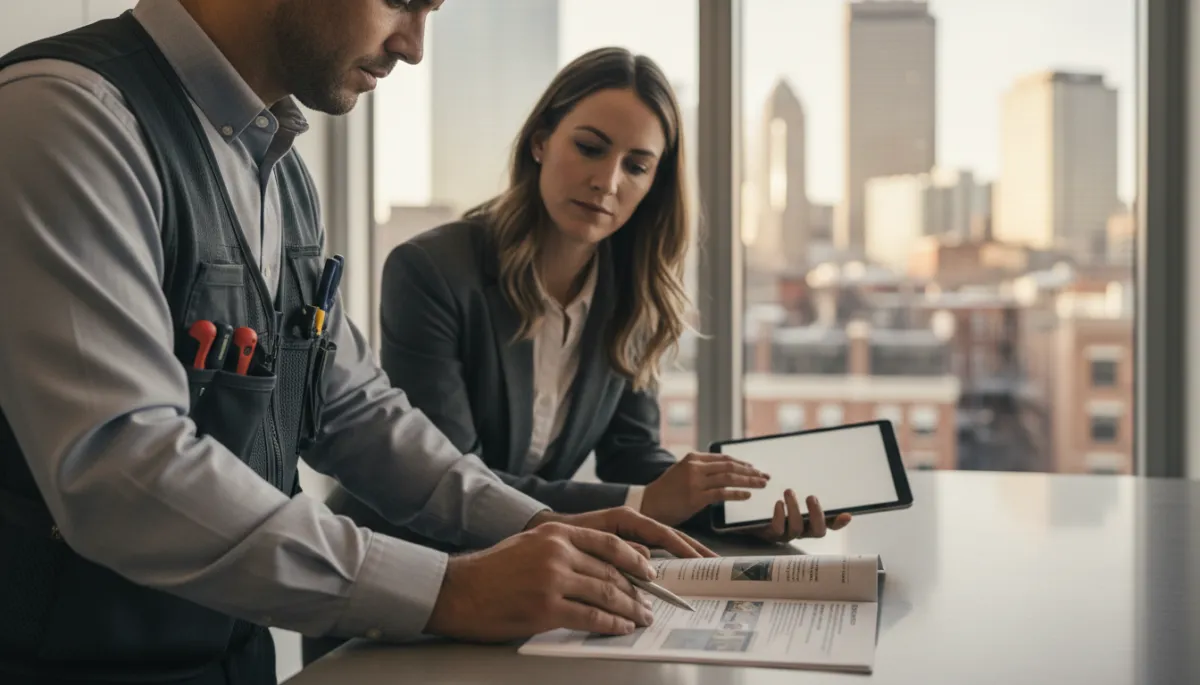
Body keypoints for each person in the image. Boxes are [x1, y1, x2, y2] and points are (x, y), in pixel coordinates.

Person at [0, 2, 713, 684]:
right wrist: (448, 589)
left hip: (236, 660)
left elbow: (356, 412)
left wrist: (545, 525)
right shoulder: (66, 116)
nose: (413, 46)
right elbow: (121, 467)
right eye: (401, 0)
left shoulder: (280, 174)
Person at [320, 48, 851, 561]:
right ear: (540, 141)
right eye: (591, 148)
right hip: (401, 569)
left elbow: (633, 455)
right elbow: (453, 478)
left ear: (653, 186)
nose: (607, 181)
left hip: (528, 574)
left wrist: (735, 507)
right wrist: (645, 504)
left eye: (637, 166)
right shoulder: (430, 270)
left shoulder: (633, 294)